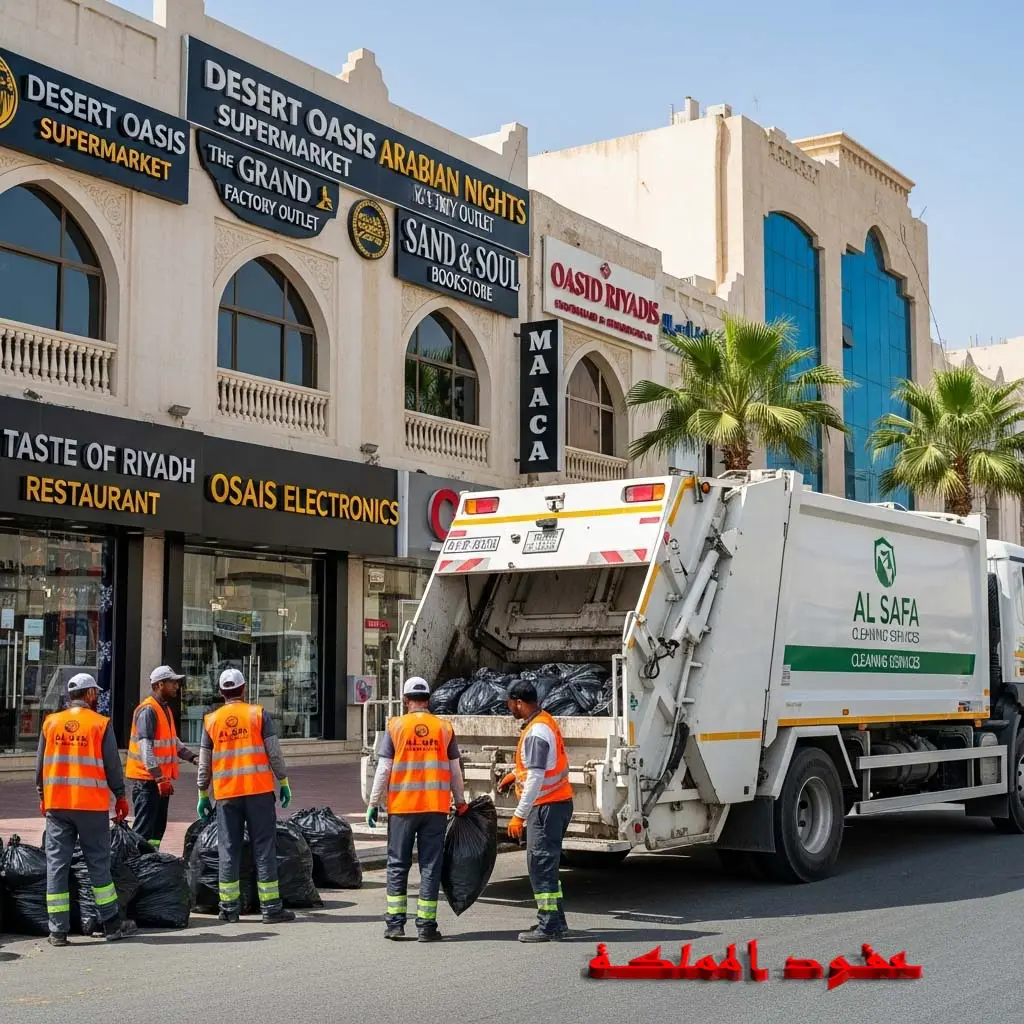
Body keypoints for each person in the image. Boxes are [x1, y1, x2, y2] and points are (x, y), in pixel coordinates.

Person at [366, 676, 468, 942]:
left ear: (405, 700)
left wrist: (373, 802)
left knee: (398, 864)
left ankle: (395, 925)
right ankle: (426, 926)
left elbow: (384, 769)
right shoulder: (443, 728)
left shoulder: (396, 726)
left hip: (403, 808)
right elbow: (455, 771)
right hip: (435, 807)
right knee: (430, 866)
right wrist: (460, 801)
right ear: (429, 700)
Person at [37, 673, 136, 946]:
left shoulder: (51, 723)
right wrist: (120, 796)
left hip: (57, 805)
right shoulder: (100, 724)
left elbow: (40, 765)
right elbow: (112, 765)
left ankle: (57, 931)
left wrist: (41, 795)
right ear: (90, 694)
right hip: (90, 805)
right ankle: (112, 924)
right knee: (98, 865)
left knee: (57, 865)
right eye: (96, 692)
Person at [196, 668, 295, 924]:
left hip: (227, 795)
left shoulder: (211, 720)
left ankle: (229, 909)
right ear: (243, 689)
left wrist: (202, 794)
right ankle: (271, 908)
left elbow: (204, 763)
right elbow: (274, 752)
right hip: (259, 791)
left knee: (228, 848)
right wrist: (282, 781)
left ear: (221, 692)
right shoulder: (258, 714)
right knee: (264, 847)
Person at [497, 678, 574, 942]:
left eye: (509, 703)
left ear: (518, 702)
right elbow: (534, 770)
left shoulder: (536, 732)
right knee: (547, 867)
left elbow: (537, 777)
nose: (508, 707)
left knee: (541, 866)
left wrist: (518, 815)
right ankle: (557, 923)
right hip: (556, 803)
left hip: (546, 807)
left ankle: (548, 926)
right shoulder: (544, 721)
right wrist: (513, 774)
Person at [125, 665, 199, 849]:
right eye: (172, 683)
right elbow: (145, 747)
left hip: (158, 782)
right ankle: (137, 867)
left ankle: (152, 860)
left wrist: (193, 758)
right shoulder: (148, 710)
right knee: (143, 830)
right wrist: (159, 777)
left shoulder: (163, 709)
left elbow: (171, 740)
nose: (177, 686)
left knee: (157, 830)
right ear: (160, 684)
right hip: (147, 782)